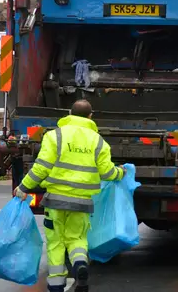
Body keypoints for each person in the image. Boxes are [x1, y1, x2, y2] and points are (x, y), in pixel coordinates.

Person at [14, 99, 125, 292]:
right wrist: (121, 172)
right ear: (91, 116)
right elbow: (107, 173)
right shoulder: (98, 141)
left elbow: (41, 168)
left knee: (56, 243)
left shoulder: (54, 136)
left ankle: (56, 286)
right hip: (82, 202)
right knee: (77, 239)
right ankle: (80, 263)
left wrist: (23, 187)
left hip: (55, 201)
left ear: (69, 113)